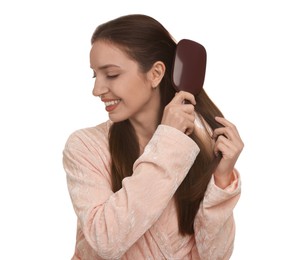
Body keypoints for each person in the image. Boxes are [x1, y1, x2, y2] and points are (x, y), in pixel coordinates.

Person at [62, 14, 244, 260]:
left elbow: (215, 256)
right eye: (96, 75)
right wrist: (168, 141)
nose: (96, 90)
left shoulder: (197, 146)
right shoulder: (86, 147)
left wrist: (221, 179)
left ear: (156, 73)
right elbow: (106, 239)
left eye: (112, 74)